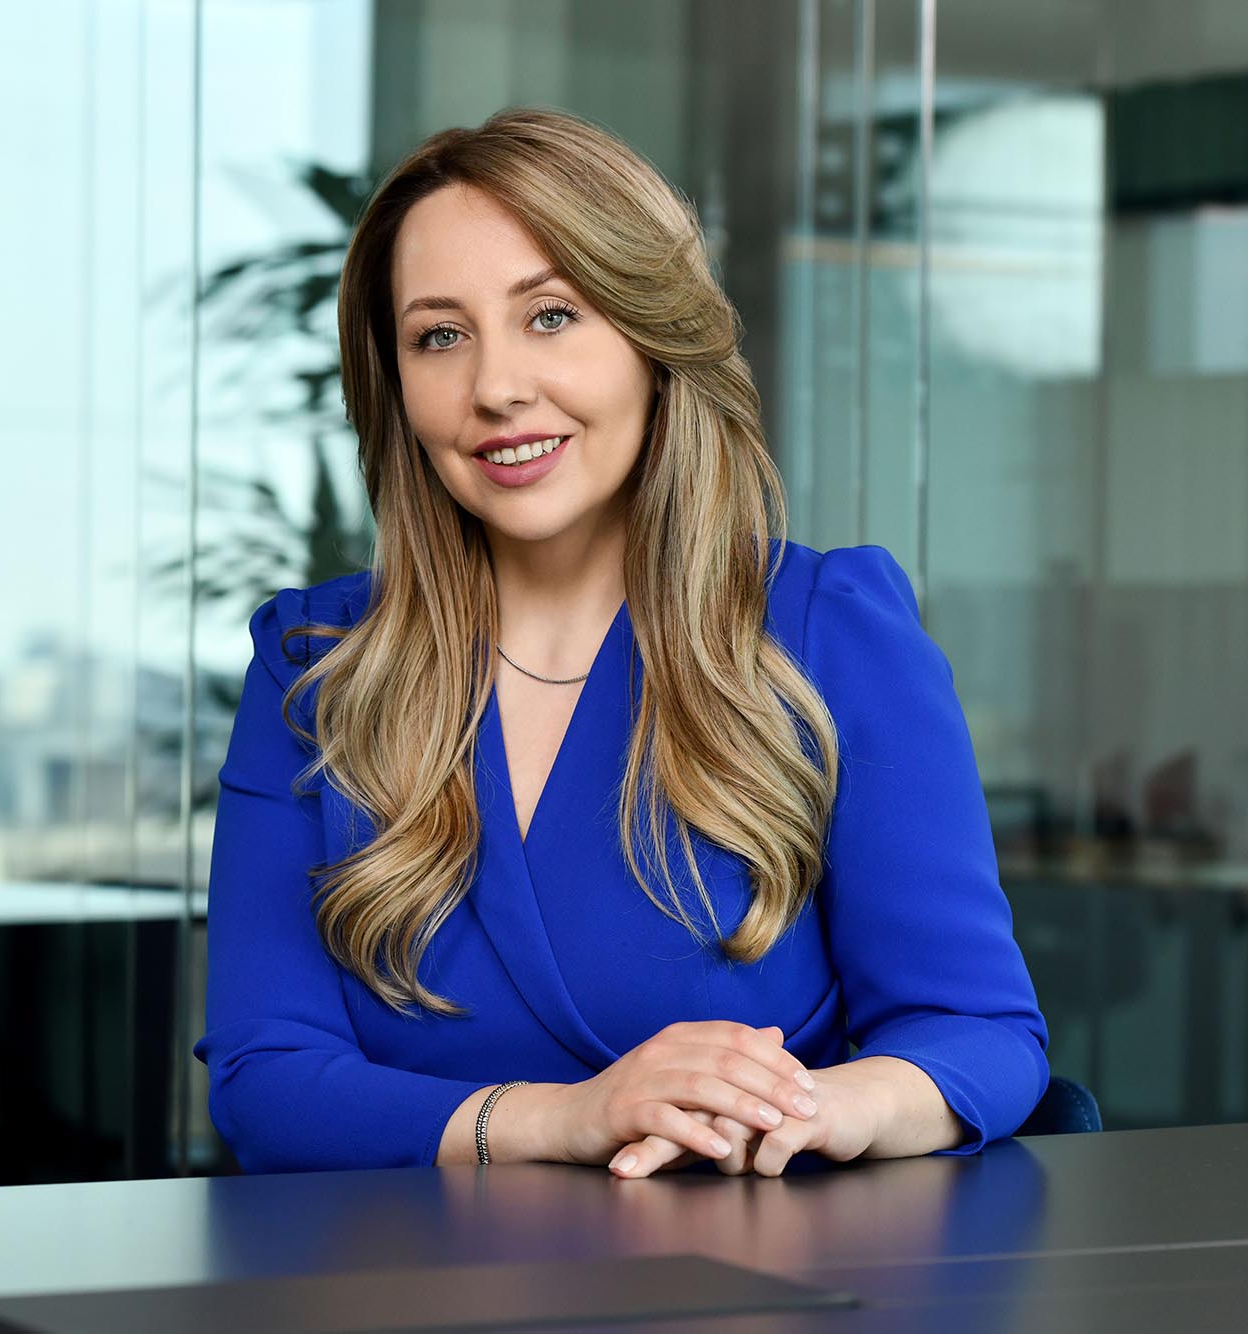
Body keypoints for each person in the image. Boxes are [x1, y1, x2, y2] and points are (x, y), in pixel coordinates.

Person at [194, 107, 1048, 1179]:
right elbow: (265, 1080)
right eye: (439, 336)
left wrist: (819, 1107)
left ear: (654, 338)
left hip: (755, 1255)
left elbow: (978, 1032)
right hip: (413, 1264)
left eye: (550, 316)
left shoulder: (828, 628)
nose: (496, 388)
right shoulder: (315, 666)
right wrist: (567, 1118)